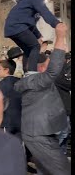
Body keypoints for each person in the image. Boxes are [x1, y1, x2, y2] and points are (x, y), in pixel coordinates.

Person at [14, 23, 71, 175]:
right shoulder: (35, 81)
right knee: (62, 170)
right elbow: (53, 70)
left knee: (45, 168)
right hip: (39, 134)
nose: (49, 66)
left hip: (42, 131)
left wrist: (36, 38)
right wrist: (60, 36)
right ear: (40, 68)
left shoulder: (32, 80)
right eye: (46, 64)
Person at [4, 0, 61, 73]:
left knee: (28, 50)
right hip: (18, 26)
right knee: (36, 46)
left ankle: (26, 72)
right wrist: (57, 23)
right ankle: (31, 73)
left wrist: (38, 35)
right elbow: (45, 12)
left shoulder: (27, 3)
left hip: (11, 28)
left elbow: (31, 24)